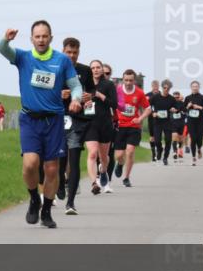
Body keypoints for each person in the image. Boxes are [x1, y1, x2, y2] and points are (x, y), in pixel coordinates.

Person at [0, 21, 83, 229]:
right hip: (29, 119)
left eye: (45, 36)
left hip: (53, 120)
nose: (41, 40)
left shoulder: (61, 60)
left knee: (52, 170)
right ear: (31, 39)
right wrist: (6, 39)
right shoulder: (23, 57)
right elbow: (2, 49)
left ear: (51, 38)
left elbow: (75, 85)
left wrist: (76, 99)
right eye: (37, 36)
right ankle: (34, 197)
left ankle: (47, 209)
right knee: (30, 164)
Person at [56, 37, 97, 206]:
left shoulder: (85, 70)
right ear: (63, 51)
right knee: (61, 160)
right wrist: (59, 94)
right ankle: (59, 183)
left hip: (78, 121)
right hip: (58, 119)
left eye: (75, 52)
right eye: (68, 52)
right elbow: (44, 92)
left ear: (79, 52)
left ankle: (70, 202)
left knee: (74, 161)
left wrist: (90, 96)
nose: (72, 55)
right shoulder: (55, 68)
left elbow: (92, 90)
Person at [83, 60, 117, 202]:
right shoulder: (85, 84)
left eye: (98, 68)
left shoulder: (108, 85)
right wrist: (85, 102)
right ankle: (93, 183)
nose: (95, 70)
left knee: (104, 157)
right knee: (92, 154)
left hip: (105, 123)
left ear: (102, 70)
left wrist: (100, 95)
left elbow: (114, 104)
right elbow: (77, 100)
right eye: (93, 68)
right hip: (90, 123)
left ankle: (103, 172)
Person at [112, 69, 151, 189]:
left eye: (131, 80)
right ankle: (120, 163)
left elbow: (148, 108)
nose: (128, 83)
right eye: (126, 80)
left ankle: (126, 178)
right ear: (123, 80)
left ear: (134, 81)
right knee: (119, 155)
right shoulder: (117, 91)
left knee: (130, 151)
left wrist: (140, 119)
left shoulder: (139, 93)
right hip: (120, 126)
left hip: (134, 126)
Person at [149, 79, 180, 167]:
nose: (166, 89)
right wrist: (153, 113)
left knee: (168, 140)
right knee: (157, 140)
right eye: (165, 87)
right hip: (157, 122)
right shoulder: (155, 97)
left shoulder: (171, 99)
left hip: (167, 122)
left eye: (168, 88)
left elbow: (177, 108)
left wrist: (174, 110)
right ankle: (160, 150)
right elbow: (147, 106)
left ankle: (165, 158)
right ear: (162, 87)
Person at [183, 80, 203, 166]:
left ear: (199, 87)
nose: (195, 88)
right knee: (193, 138)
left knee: (199, 139)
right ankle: (193, 157)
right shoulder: (187, 98)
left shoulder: (202, 98)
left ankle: (199, 149)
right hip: (191, 121)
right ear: (191, 87)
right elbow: (183, 110)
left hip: (200, 121)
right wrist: (188, 106)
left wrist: (199, 107)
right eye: (193, 86)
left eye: (196, 86)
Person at [146, 78, 162, 161]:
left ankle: (159, 150)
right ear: (151, 86)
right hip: (151, 118)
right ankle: (153, 154)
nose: (155, 88)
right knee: (152, 137)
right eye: (154, 86)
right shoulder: (147, 95)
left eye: (157, 86)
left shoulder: (162, 95)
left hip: (160, 119)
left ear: (159, 87)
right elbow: (144, 105)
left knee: (158, 137)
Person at [170, 90, 187, 162]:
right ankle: (174, 152)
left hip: (181, 123)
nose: (176, 99)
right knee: (174, 137)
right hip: (173, 123)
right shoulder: (170, 104)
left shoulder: (182, 104)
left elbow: (185, 111)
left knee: (180, 138)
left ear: (179, 97)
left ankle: (180, 149)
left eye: (177, 97)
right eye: (174, 97)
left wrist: (180, 111)